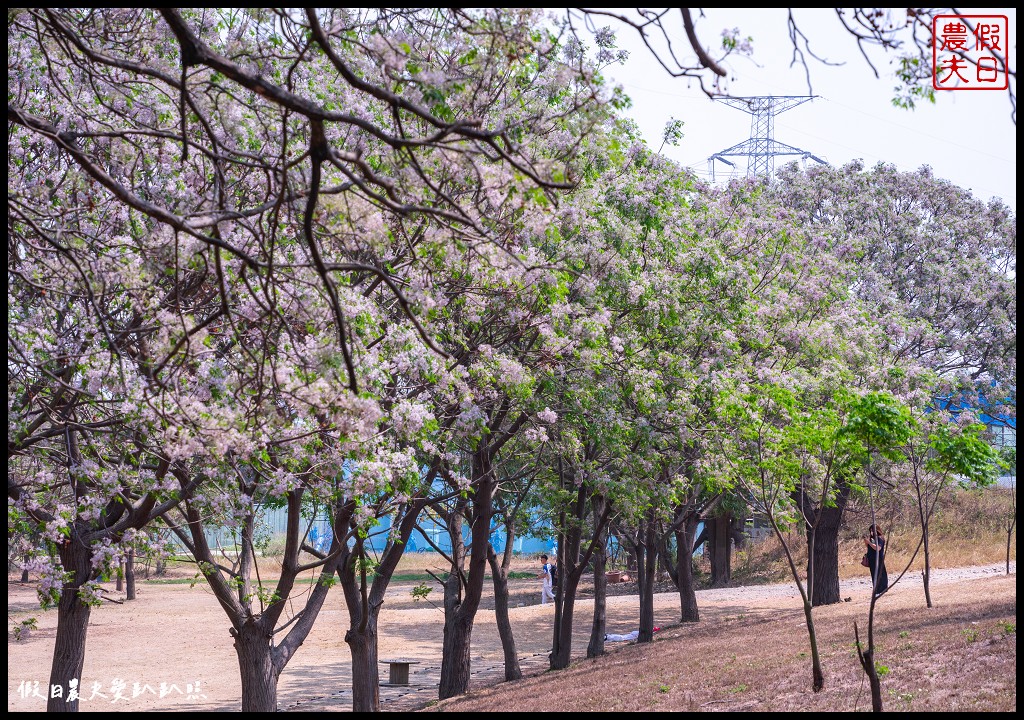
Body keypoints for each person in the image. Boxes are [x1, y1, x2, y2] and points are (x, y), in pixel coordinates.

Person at [863, 524, 889, 598]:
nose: (871, 532)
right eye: (870, 531)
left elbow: (878, 548)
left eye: (873, 530)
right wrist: (867, 542)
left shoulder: (879, 538)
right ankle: (877, 589)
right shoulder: (873, 539)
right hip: (872, 559)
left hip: (878, 559)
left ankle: (881, 589)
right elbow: (869, 547)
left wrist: (869, 543)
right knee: (874, 574)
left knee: (879, 574)